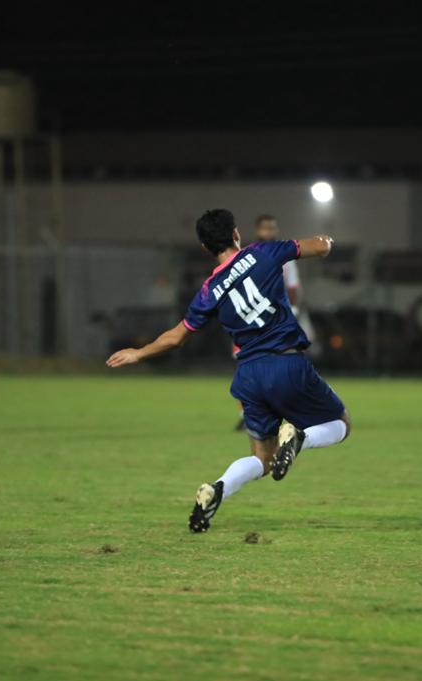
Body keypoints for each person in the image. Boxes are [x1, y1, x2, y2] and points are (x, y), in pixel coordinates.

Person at [107, 209, 350, 532]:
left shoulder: (209, 290)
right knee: (341, 423)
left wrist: (139, 353)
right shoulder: (263, 252)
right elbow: (320, 246)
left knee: (263, 459)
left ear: (205, 247)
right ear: (236, 233)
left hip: (248, 376)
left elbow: (176, 337)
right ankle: (300, 438)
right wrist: (327, 240)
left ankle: (217, 489)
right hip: (285, 362)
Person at [233, 213, 320, 431]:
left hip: (279, 318)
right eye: (265, 228)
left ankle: (292, 411)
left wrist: (294, 310)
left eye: (272, 228)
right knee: (245, 364)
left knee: (286, 363)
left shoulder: (284, 255)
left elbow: (293, 287)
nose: (269, 232)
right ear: (257, 230)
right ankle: (247, 414)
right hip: (253, 318)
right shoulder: (246, 255)